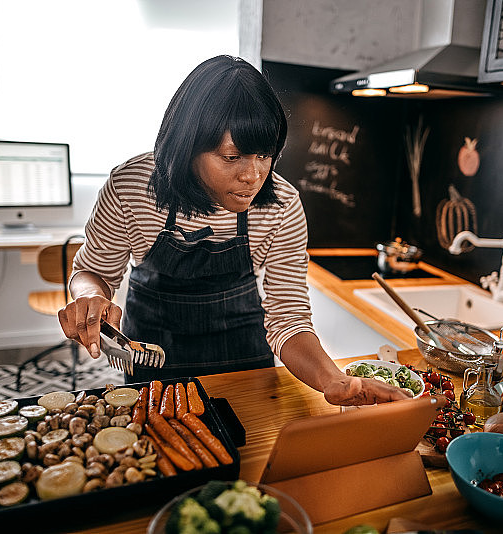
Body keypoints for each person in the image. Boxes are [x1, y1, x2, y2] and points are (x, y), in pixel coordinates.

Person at [57, 55, 409, 406]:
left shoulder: (281, 204)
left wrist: (333, 379)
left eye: (264, 155)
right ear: (187, 146)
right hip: (154, 352)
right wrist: (88, 296)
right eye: (231, 157)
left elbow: (288, 317)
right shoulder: (132, 187)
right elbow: (94, 271)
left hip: (243, 353)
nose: (253, 176)